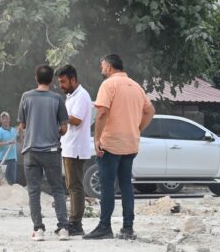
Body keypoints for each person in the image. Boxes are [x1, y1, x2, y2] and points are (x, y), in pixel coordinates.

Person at [85, 54, 155, 240]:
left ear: (108, 66)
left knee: (107, 185)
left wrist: (97, 139)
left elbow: (101, 114)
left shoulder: (108, 85)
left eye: (102, 66)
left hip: (111, 143)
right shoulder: (136, 86)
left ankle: (104, 226)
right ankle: (127, 227)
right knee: (125, 185)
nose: (101, 69)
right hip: (130, 144)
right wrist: (137, 129)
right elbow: (150, 111)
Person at [18, 64, 70, 241]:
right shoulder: (57, 99)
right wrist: (56, 132)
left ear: (36, 78)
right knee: (58, 190)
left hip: (31, 151)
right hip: (52, 151)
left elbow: (23, 125)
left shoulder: (26, 97)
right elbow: (64, 127)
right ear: (52, 80)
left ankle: (38, 229)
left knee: (34, 191)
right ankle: (63, 228)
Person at [57, 64, 93, 237]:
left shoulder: (82, 95)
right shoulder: (71, 96)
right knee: (71, 185)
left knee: (75, 186)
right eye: (59, 82)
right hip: (69, 146)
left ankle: (76, 224)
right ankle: (74, 221)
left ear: (73, 79)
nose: (61, 85)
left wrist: (58, 116)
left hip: (76, 147)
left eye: (64, 82)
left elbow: (77, 120)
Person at [0, 112, 18, 186]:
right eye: (3, 118)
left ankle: (10, 197)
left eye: (6, 118)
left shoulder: (13, 130)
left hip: (12, 160)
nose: (5, 120)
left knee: (12, 182)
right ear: (0, 120)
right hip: (2, 160)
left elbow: (19, 140)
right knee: (0, 182)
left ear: (9, 120)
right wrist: (7, 142)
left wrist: (21, 133)